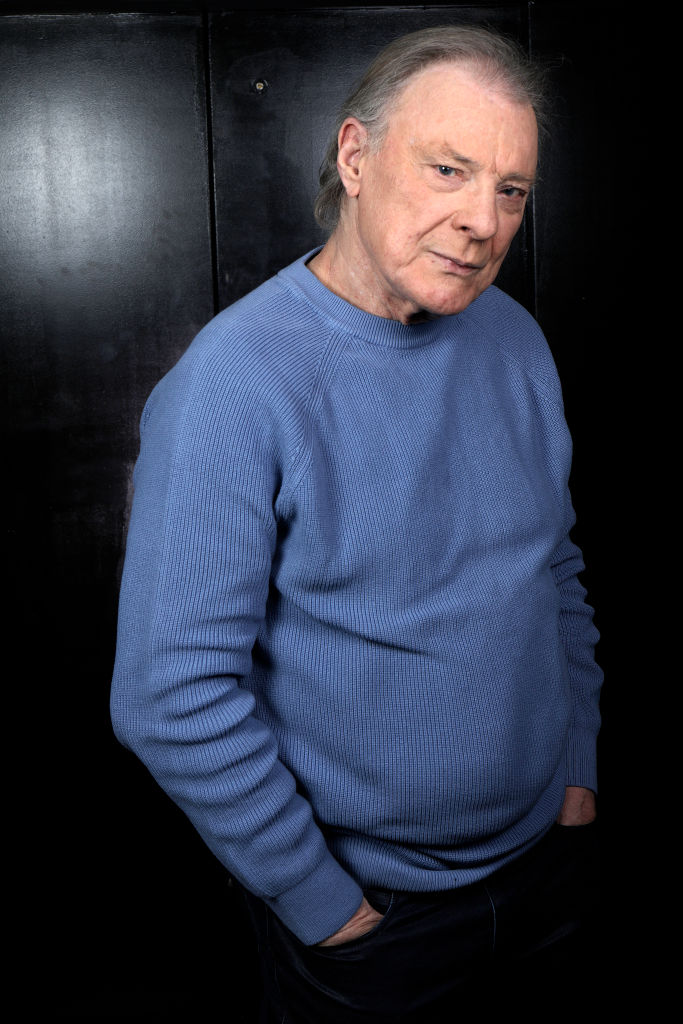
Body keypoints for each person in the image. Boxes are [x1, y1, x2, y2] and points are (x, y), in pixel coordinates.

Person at [111, 25, 603, 1023]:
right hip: (377, 926)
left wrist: (577, 774)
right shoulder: (233, 384)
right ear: (354, 156)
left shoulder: (512, 335)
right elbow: (170, 694)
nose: (481, 220)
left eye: (509, 188)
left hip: (549, 870)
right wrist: (327, 906)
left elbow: (549, 568)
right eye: (448, 169)